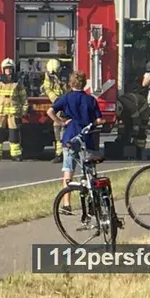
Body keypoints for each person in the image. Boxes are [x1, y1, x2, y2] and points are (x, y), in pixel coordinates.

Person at [46, 70, 105, 212]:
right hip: (87, 139)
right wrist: (98, 122)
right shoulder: (90, 100)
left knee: (68, 171)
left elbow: (50, 111)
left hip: (70, 138)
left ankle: (67, 204)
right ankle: (92, 204)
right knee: (89, 172)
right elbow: (98, 119)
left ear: (70, 83)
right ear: (84, 84)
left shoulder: (66, 98)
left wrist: (61, 122)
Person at [0, 58, 28, 162]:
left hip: (14, 113)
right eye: (6, 69)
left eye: (10, 68)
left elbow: (23, 97)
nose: (8, 70)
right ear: (3, 69)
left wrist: (24, 110)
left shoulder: (17, 82)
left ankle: (16, 154)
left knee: (14, 133)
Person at [42, 59, 67, 163]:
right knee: (57, 129)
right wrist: (55, 99)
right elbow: (47, 89)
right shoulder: (48, 76)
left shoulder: (66, 75)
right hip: (58, 103)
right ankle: (59, 154)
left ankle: (64, 154)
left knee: (64, 130)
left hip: (66, 103)